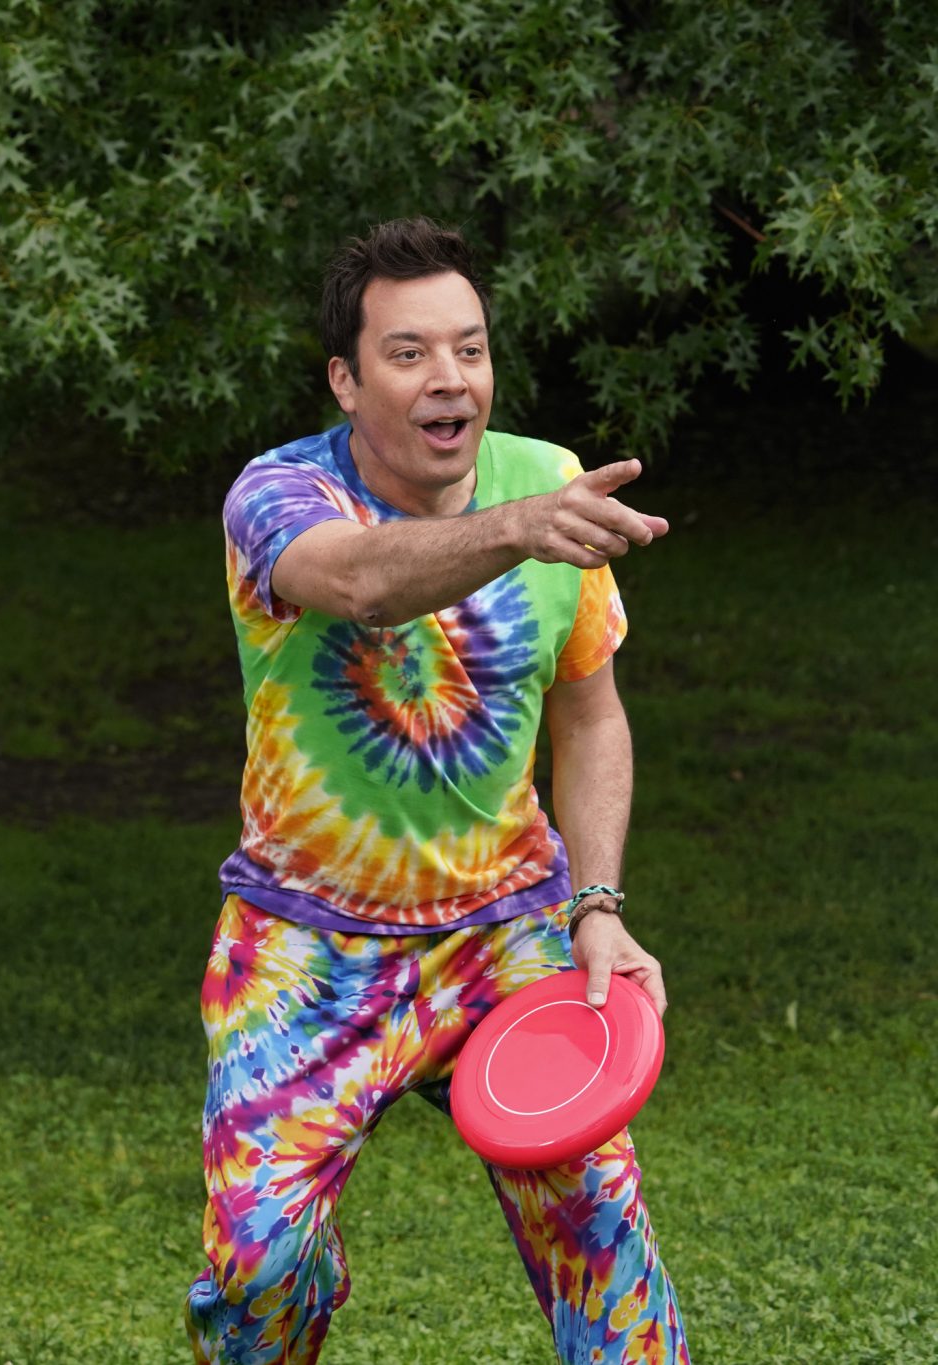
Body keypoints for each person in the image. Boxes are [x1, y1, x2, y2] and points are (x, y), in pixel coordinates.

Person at [186, 219, 689, 1363]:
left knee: (599, 1228)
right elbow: (359, 584)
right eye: (407, 353)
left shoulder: (547, 481)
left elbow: (588, 714)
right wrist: (515, 529)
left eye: (467, 348)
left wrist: (595, 905)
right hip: (304, 944)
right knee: (258, 1275)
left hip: (504, 931)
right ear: (345, 379)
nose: (447, 378)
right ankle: (296, 1276)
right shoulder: (276, 495)